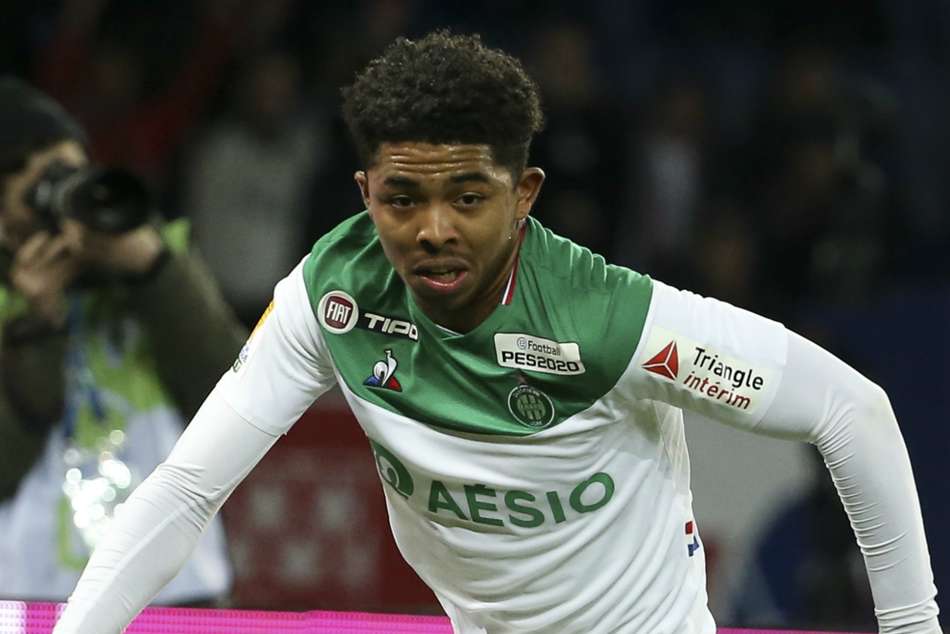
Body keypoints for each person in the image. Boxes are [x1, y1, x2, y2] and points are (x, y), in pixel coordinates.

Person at [54, 32, 942, 633]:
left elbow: (853, 412)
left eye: (469, 197)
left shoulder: (612, 320)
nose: (434, 230)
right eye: (402, 198)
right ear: (366, 193)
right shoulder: (334, 293)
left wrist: (911, 627)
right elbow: (185, 493)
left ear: (524, 195)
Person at [0, 78, 244, 605]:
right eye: (23, 174)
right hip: (31, 596)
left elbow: (238, 392)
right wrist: (36, 324)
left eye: (66, 171)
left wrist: (153, 271)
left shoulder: (152, 259)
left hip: (174, 588)